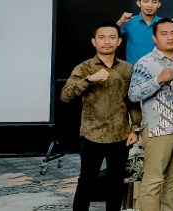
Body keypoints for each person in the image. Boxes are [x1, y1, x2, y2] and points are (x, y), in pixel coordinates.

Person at [61, 22, 141, 211]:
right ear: (94, 41)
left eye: (112, 37)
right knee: (86, 181)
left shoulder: (127, 68)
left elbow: (132, 101)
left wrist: (135, 129)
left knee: (116, 182)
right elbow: (65, 95)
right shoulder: (84, 67)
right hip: (92, 134)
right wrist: (89, 80)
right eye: (102, 37)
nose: (107, 42)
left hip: (120, 134)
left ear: (119, 41)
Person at [127, 19, 173, 211]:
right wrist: (157, 80)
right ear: (154, 38)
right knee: (153, 181)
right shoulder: (145, 63)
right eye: (164, 34)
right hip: (158, 130)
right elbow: (133, 94)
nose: (170, 37)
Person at [117, 0, 162, 64]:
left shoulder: (164, 23)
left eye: (154, 2)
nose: (150, 5)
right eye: (146, 1)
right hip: (133, 69)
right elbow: (111, 35)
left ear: (159, 4)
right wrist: (120, 22)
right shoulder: (128, 21)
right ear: (138, 3)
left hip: (158, 69)